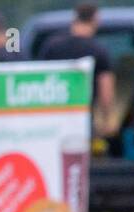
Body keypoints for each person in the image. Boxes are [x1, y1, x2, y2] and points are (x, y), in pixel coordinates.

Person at [39, 2, 115, 134]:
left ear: (75, 18)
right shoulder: (98, 50)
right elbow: (106, 90)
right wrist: (106, 120)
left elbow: (39, 79)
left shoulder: (51, 46)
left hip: (51, 117)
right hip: (82, 118)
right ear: (95, 19)